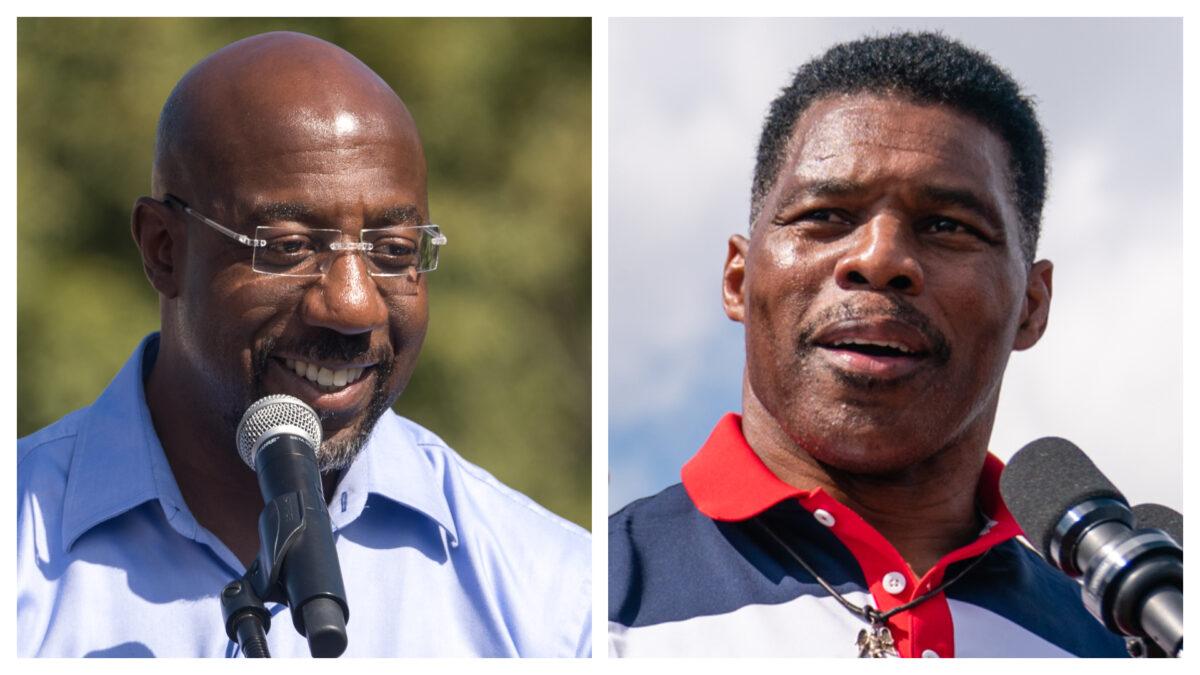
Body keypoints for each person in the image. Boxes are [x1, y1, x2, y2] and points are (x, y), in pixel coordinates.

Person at [18, 31, 590, 658]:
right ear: (163, 249)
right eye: (289, 247)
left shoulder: (555, 600)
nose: (352, 305)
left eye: (394, 251)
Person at [608, 32, 1129, 658]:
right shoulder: (591, 598)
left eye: (947, 226)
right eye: (825, 215)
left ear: (1032, 306)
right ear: (739, 280)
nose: (879, 259)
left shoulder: (1118, 643)